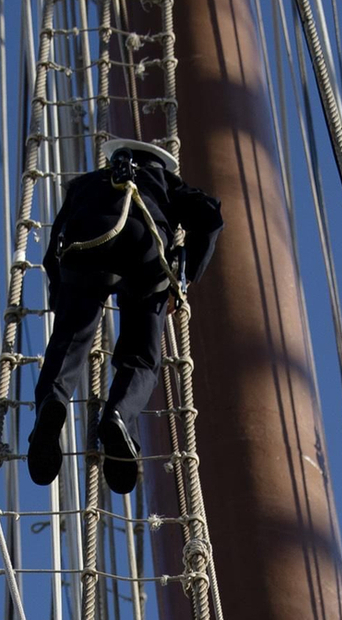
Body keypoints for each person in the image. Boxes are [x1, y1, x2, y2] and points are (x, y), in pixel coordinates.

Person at [27, 138, 222, 495]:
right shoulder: (164, 183)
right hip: (144, 248)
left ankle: (51, 405)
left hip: (89, 240)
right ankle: (119, 417)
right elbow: (210, 214)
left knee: (69, 340)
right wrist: (186, 276)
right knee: (141, 357)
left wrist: (61, 298)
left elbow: (55, 247)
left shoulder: (87, 183)